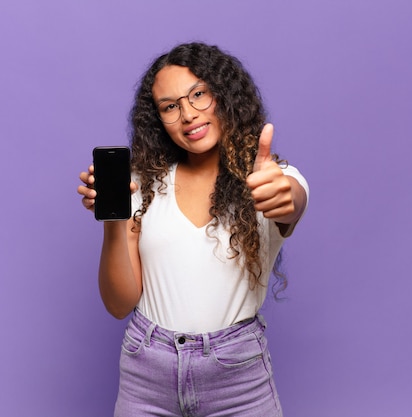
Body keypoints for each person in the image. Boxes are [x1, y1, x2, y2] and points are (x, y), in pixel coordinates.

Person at [77, 42, 309, 417]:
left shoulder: (271, 180)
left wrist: (286, 196)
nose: (187, 114)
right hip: (146, 371)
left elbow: (292, 200)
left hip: (238, 377)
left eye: (198, 94)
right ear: (159, 120)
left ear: (224, 95)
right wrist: (113, 221)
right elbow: (119, 304)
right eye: (170, 106)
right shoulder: (143, 186)